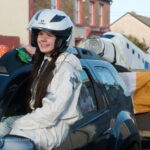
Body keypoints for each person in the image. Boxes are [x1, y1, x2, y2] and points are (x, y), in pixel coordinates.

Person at [0, 9, 82, 149]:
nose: (42, 39)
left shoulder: (65, 69)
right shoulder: (47, 61)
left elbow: (51, 113)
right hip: (41, 120)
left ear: (61, 39)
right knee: (2, 126)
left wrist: (19, 123)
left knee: (12, 140)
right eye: (40, 33)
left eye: (49, 35)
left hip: (54, 127)